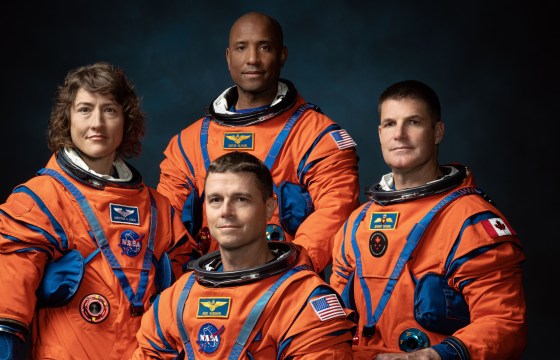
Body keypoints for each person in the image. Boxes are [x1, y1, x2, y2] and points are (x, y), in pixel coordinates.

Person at [0, 62, 195, 360]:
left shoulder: (159, 210)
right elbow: (8, 308)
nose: (97, 123)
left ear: (126, 121)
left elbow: (183, 311)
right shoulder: (40, 200)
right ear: (66, 118)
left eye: (109, 110)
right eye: (84, 109)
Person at [330, 80, 527, 359]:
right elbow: (331, 323)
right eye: (389, 124)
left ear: (437, 132)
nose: (399, 134)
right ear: (379, 133)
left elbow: (504, 323)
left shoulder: (470, 221)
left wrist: (431, 356)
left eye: (413, 122)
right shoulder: (356, 224)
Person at [156, 11, 360, 274]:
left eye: (264, 47)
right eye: (242, 48)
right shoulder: (189, 143)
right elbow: (166, 223)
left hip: (282, 288)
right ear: (229, 57)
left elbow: (336, 210)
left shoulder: (317, 136)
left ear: (282, 56)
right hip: (205, 288)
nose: (252, 59)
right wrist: (184, 283)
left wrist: (288, 272)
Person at [134, 151, 357, 359]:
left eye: (241, 199)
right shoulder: (178, 298)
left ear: (269, 208)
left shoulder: (303, 300)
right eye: (215, 200)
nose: (226, 211)